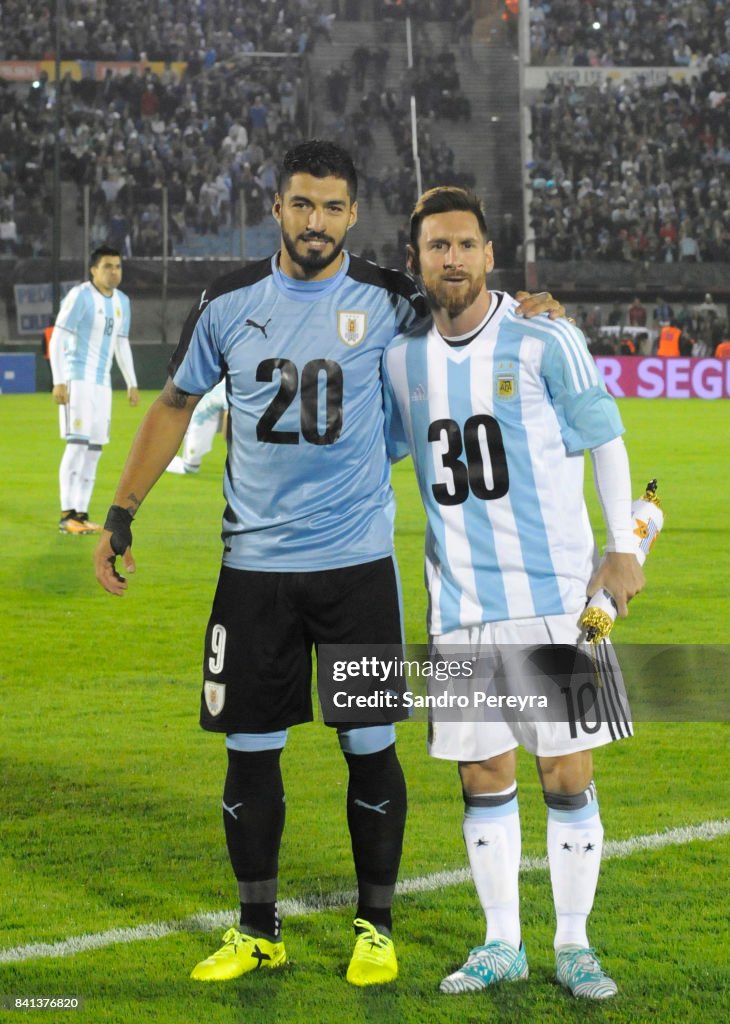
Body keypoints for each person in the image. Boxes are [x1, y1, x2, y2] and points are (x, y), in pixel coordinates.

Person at [94, 141, 564, 987]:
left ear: (354, 215)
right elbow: (173, 404)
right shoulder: (227, 302)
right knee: (251, 750)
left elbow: (469, 307)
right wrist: (121, 511)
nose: (318, 222)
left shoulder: (390, 298)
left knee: (369, 745)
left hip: (355, 572)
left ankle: (373, 927)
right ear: (276, 207)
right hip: (254, 572)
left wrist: (530, 308)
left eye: (334, 207)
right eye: (303, 204)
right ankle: (256, 929)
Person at [382, 187, 644, 1001]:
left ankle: (575, 945)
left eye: (465, 244)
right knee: (481, 774)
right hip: (457, 603)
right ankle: (502, 942)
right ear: (417, 260)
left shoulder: (544, 336)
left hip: (554, 597)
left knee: (566, 771)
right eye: (436, 247)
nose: (452, 258)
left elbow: (603, 438)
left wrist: (623, 548)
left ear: (490, 255)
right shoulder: (400, 358)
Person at [50, 246, 139, 535]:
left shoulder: (122, 301)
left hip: (102, 386)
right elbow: (57, 337)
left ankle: (81, 513)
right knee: (76, 447)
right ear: (93, 270)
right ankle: (67, 515)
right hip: (78, 379)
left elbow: (121, 343)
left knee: (94, 451)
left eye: (118, 267)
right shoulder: (81, 296)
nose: (114, 272)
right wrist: (59, 380)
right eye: (108, 266)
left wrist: (131, 382)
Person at [166, 378, 227, 475]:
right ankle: (158, 459)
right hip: (203, 415)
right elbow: (228, 428)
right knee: (190, 467)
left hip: (219, 408)